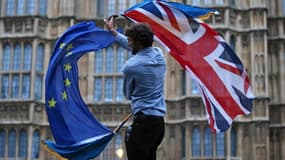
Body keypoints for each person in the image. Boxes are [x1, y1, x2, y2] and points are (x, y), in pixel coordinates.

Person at [105, 17, 166, 160]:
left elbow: (127, 94)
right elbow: (140, 49)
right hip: (158, 124)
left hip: (142, 124)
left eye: (131, 41)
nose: (129, 44)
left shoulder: (131, 66)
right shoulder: (159, 55)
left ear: (137, 42)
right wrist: (114, 33)